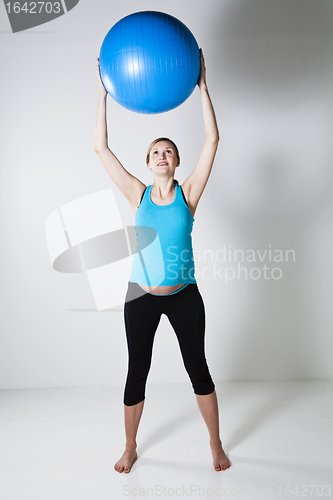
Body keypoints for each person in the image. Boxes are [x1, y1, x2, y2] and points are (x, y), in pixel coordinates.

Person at [94, 50, 231, 473]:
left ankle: (215, 444)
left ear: (176, 162)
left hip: (184, 297)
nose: (162, 155)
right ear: (148, 162)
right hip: (141, 297)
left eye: (169, 150)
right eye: (155, 150)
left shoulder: (188, 195)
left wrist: (203, 87)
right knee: (137, 372)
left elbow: (213, 141)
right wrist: (102, 91)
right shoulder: (138, 195)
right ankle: (130, 447)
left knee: (199, 370)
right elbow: (100, 148)